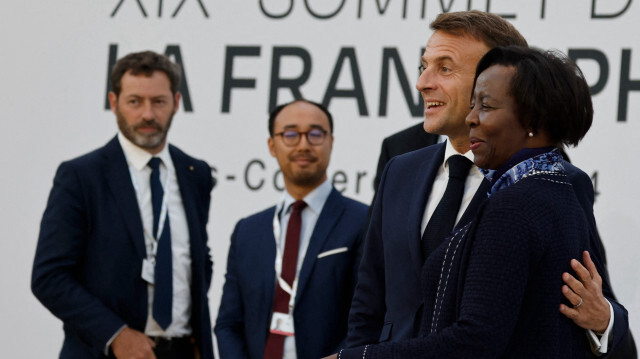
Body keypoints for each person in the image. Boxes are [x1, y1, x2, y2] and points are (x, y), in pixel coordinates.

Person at [346, 10, 633, 358]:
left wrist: (606, 320)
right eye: (424, 65)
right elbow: (369, 302)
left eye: (445, 67)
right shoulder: (400, 165)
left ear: (498, 82)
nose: (423, 82)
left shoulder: (546, 177)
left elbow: (589, 292)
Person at [31, 51, 215, 359]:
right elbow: (49, 277)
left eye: (158, 101)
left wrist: (190, 325)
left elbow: (195, 258)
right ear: (114, 103)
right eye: (134, 101)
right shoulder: (81, 176)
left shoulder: (195, 173)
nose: (147, 114)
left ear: (177, 102)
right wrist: (115, 334)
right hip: (108, 352)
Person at [214, 100, 368, 359]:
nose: (304, 145)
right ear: (272, 146)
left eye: (316, 134)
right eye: (291, 134)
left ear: (331, 142)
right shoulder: (248, 231)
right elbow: (229, 324)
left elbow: (368, 318)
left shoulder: (363, 221)